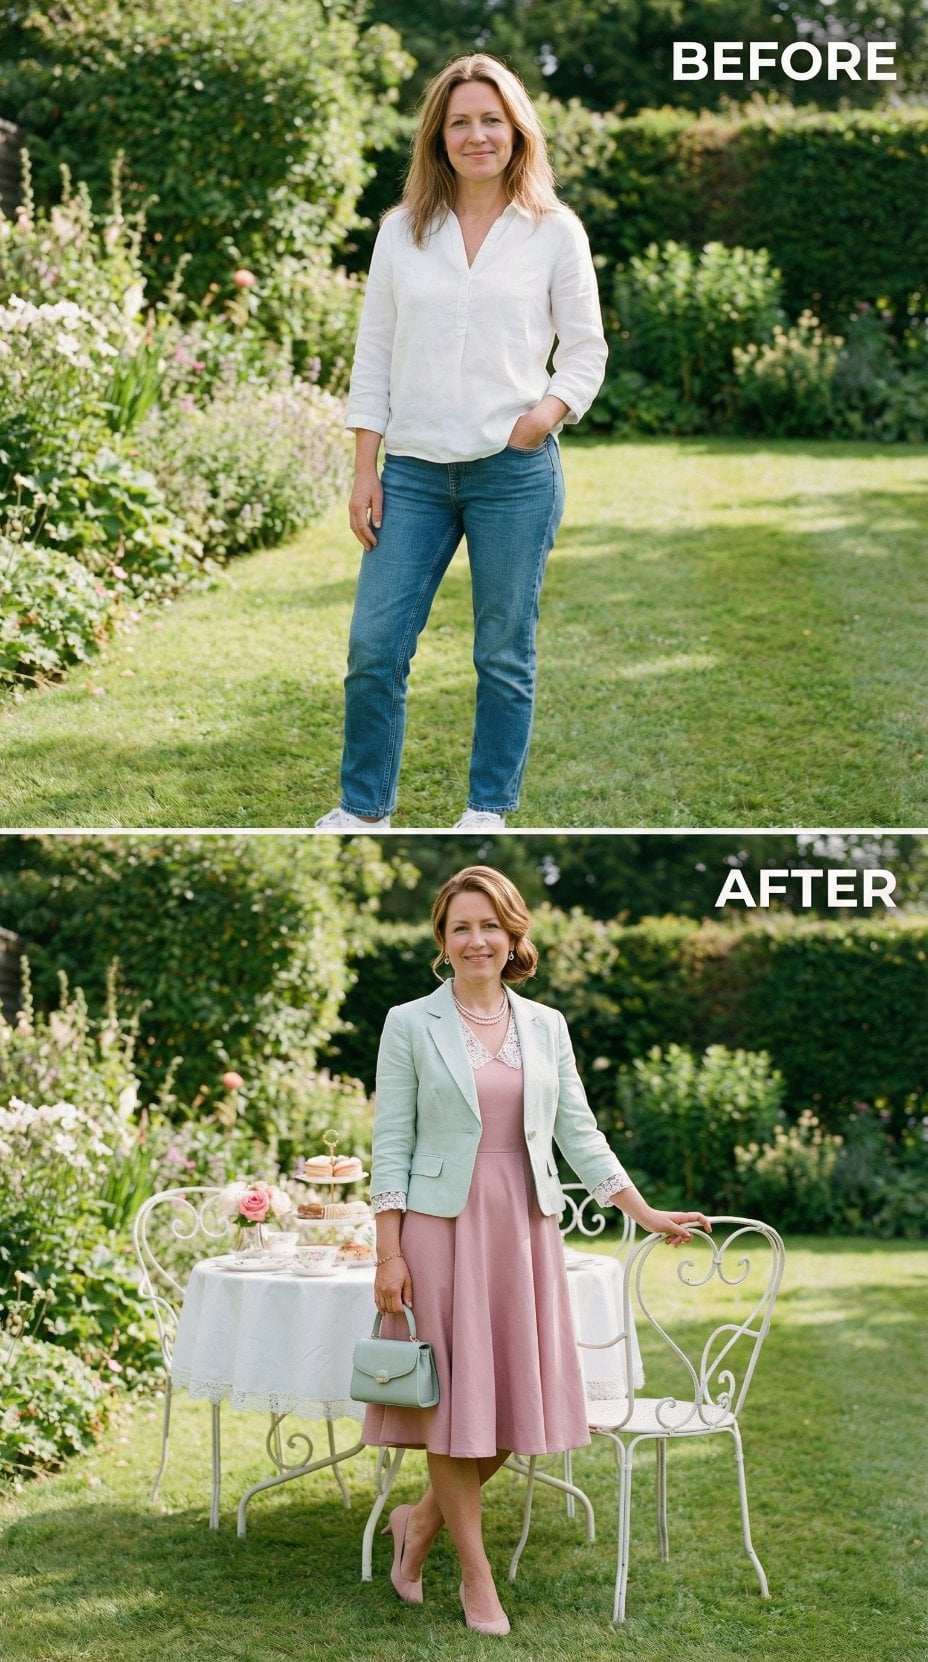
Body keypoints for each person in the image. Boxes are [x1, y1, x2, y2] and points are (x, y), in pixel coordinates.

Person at [365, 865, 711, 1635]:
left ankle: (417, 1524)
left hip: (524, 1227)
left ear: (512, 934)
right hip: (440, 1229)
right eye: (461, 927)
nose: (476, 939)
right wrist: (389, 1252)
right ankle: (477, 1576)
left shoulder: (546, 1025)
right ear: (442, 942)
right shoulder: (408, 1023)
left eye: (489, 925)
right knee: (451, 1406)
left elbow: (578, 1132)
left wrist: (643, 1209)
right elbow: (390, 1146)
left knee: (512, 1410)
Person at [314, 54, 607, 833]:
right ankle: (363, 808)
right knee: (375, 648)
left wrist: (544, 415)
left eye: (491, 120)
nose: (477, 135)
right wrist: (364, 470)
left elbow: (586, 352)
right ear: (438, 139)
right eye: (460, 123)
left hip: (512, 474)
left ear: (516, 131)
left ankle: (486, 810)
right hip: (410, 472)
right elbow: (373, 356)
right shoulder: (401, 234)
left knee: (502, 653)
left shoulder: (554, 233)